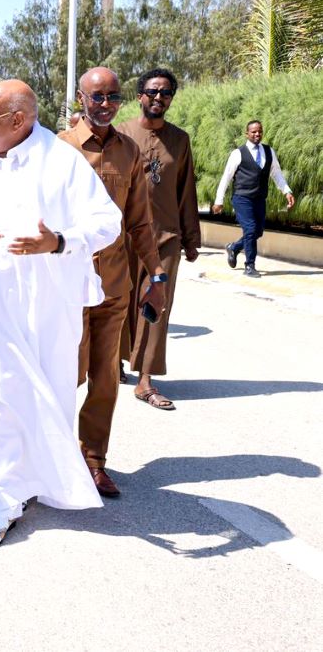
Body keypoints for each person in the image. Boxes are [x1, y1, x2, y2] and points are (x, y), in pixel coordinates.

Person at [0, 79, 122, 549]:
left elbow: (106, 222)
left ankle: (38, 480)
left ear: (19, 120)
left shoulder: (62, 161)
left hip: (48, 308)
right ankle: (2, 500)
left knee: (46, 395)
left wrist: (58, 242)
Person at [59, 67, 166, 499]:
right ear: (81, 99)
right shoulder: (60, 150)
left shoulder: (128, 153)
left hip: (114, 286)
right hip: (67, 287)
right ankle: (49, 459)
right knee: (65, 376)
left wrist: (155, 276)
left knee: (105, 378)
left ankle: (93, 461)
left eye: (113, 97)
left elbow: (140, 222)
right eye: (97, 97)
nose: (106, 105)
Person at [117, 69, 201, 410]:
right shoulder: (121, 134)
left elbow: (186, 190)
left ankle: (146, 380)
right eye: (152, 91)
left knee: (155, 308)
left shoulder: (179, 140)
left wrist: (191, 237)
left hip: (165, 236)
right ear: (140, 95)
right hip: (122, 236)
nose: (158, 98)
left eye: (166, 93)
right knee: (120, 302)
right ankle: (115, 362)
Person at [213, 120, 296, 278]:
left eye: (259, 131)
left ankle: (234, 247)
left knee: (258, 231)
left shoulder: (269, 151)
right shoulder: (238, 153)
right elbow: (226, 178)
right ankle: (249, 266)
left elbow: (276, 173)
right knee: (250, 230)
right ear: (247, 134)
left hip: (259, 198)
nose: (257, 134)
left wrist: (287, 191)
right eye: (253, 132)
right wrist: (219, 201)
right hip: (242, 198)